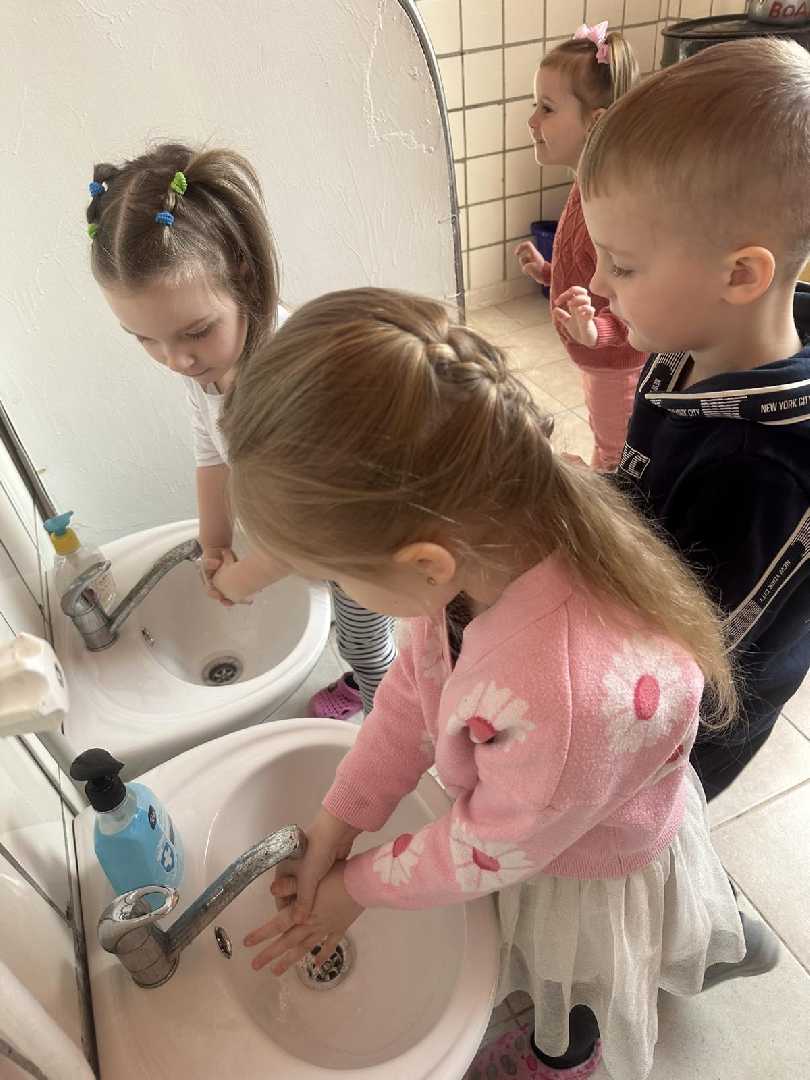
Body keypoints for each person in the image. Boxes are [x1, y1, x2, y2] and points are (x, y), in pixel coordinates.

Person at [218, 287, 763, 1079]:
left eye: (338, 577)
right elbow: (412, 695)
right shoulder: (486, 544)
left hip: (584, 865)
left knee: (569, 982)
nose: (342, 593)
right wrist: (340, 820)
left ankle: (563, 1058)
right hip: (565, 808)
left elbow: (489, 849)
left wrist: (355, 889)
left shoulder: (556, 695)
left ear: (422, 563)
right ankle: (721, 939)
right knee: (652, 931)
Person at [566, 37, 810, 800]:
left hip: (687, 735)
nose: (598, 284)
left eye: (623, 264)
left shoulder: (764, 467)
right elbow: (651, 500)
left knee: (642, 841)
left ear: (740, 275)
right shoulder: (688, 345)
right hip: (645, 616)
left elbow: (686, 648)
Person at [85, 143, 396, 719]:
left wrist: (243, 579)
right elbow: (212, 453)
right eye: (146, 339)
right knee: (344, 628)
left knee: (365, 641)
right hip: (304, 536)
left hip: (357, 543)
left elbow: (312, 525)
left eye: (195, 332)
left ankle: (389, 722)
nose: (175, 360)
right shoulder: (206, 366)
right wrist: (214, 540)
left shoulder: (292, 374)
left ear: (244, 274)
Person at [515, 21, 646, 471]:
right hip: (599, 360)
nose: (532, 121)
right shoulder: (585, 188)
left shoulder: (611, 209)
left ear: (595, 122)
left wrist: (596, 333)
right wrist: (549, 272)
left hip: (618, 365)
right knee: (608, 440)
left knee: (616, 458)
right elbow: (591, 272)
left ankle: (608, 506)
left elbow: (639, 303)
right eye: (535, 105)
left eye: (547, 108)